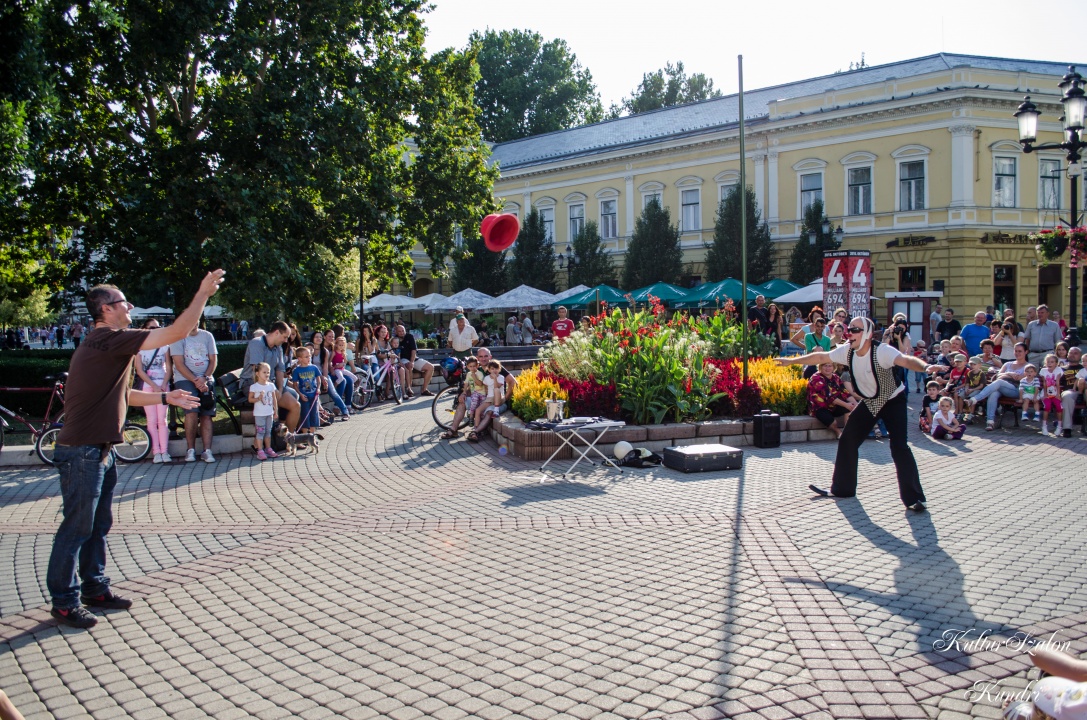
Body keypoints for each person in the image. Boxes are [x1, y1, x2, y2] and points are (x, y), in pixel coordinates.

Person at [46, 271, 223, 628]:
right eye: (124, 303)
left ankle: (95, 588)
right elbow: (176, 332)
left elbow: (124, 395)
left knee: (98, 525)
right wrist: (203, 293)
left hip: (99, 450)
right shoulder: (108, 338)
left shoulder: (106, 345)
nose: (130, 307)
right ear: (106, 309)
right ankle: (64, 602)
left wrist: (165, 397)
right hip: (82, 451)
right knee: (77, 528)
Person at [777, 316, 937, 511]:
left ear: (867, 334)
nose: (849, 333)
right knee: (848, 440)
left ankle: (915, 499)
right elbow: (820, 357)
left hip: (893, 400)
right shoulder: (847, 351)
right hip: (871, 401)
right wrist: (790, 361)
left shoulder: (882, 351)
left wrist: (926, 367)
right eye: (849, 328)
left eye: (855, 329)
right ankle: (842, 489)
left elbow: (906, 360)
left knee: (899, 447)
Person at [167, 323, 219, 463]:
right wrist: (196, 381)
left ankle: (207, 450)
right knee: (191, 412)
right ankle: (190, 449)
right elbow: (179, 364)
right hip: (185, 379)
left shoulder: (207, 336)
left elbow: (213, 360)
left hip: (205, 378)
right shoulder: (178, 337)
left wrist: (205, 378)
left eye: (197, 320)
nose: (194, 323)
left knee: (207, 414)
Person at [444, 346, 518, 440]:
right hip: (482, 399)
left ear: (490, 357)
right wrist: (463, 394)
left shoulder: (495, 367)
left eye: (486, 356)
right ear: (477, 358)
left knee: (489, 412)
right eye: (481, 356)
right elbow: (471, 386)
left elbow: (513, 382)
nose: (483, 359)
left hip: (496, 401)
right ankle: (453, 430)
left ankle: (475, 432)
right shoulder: (475, 369)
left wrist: (505, 399)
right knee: (462, 402)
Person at [239, 321, 301, 432]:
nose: (286, 340)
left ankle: (289, 437)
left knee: (295, 405)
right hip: (252, 382)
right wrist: (274, 390)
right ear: (276, 332)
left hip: (270, 383)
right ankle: (272, 433)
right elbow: (258, 371)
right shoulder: (257, 343)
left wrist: (280, 389)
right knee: (272, 400)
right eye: (285, 337)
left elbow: (280, 369)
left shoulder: (278, 347)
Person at [965, 342, 1030, 430]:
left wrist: (1005, 375)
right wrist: (1010, 374)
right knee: (994, 393)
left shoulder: (1028, 366)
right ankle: (990, 422)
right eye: (1016, 351)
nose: (1017, 353)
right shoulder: (1008, 364)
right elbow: (998, 375)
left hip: (1017, 390)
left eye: (1020, 351)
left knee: (999, 382)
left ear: (1026, 352)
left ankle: (974, 399)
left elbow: (1020, 378)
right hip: (1001, 388)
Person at [133, 319, 172, 464]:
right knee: (152, 420)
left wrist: (164, 383)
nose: (155, 330)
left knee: (162, 420)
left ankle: (164, 451)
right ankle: (156, 451)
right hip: (148, 386)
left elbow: (169, 367)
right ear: (145, 329)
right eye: (152, 327)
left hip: (162, 385)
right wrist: (153, 385)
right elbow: (139, 370)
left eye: (158, 327)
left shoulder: (164, 346)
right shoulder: (140, 347)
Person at [807, 362, 856, 439]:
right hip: (819, 407)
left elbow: (845, 392)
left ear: (834, 367)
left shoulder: (836, 377)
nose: (828, 368)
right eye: (825, 366)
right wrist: (846, 405)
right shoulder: (816, 378)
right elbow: (829, 397)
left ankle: (847, 433)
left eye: (830, 366)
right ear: (820, 367)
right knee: (833, 422)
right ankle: (838, 432)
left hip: (834, 406)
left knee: (850, 408)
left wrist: (855, 404)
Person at [248, 362, 279, 460]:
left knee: (268, 431)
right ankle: (260, 450)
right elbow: (250, 399)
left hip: (269, 413)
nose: (267, 374)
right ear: (257, 373)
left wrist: (275, 411)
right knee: (260, 432)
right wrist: (258, 398)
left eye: (268, 372)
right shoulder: (254, 387)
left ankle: (268, 448)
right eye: (264, 372)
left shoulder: (271, 385)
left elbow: (274, 399)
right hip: (259, 414)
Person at [395, 321, 435, 398]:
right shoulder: (395, 339)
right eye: (399, 331)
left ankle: (424, 389)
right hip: (402, 359)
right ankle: (409, 389)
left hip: (413, 358)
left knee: (430, 367)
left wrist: (412, 361)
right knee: (409, 366)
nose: (401, 333)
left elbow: (413, 350)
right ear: (396, 332)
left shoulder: (409, 336)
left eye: (403, 331)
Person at [471, 359, 507, 439]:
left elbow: (497, 387)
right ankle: (476, 430)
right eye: (492, 369)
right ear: (489, 370)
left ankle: (496, 410)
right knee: (478, 410)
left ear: (499, 369)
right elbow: (486, 389)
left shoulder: (501, 377)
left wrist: (495, 379)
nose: (494, 370)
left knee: (496, 390)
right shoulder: (486, 378)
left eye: (496, 368)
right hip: (490, 398)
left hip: (499, 398)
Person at [290, 347, 322, 433]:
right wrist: (300, 394)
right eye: (306, 357)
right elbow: (295, 385)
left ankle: (312, 434)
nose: (309, 358)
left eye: (309, 356)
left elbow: (318, 379)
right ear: (300, 359)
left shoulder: (314, 368)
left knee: (314, 413)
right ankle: (305, 434)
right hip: (304, 396)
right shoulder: (297, 370)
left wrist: (318, 388)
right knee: (305, 414)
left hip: (314, 395)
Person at [1059, 346, 1085, 438]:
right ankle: (1067, 429)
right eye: (1071, 353)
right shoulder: (1061, 369)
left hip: (1084, 391)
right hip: (1070, 391)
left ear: (1080, 356)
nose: (1072, 355)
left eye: (1075, 353)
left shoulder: (1084, 367)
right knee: (1067, 396)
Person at [1038, 353, 1064, 436]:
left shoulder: (1059, 370)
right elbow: (1044, 383)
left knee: (1059, 407)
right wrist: (1045, 394)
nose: (1049, 363)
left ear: (1056, 363)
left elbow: (1057, 382)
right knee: (1047, 406)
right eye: (1048, 362)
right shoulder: (1043, 371)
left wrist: (1058, 394)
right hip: (1046, 392)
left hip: (1055, 392)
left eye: (1052, 362)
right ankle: (1044, 426)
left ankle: (1059, 426)